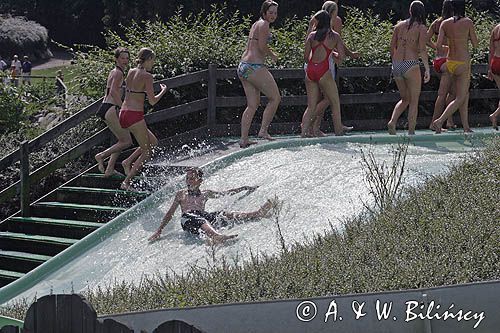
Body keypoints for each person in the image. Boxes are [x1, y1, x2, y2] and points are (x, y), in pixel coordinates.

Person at [148, 168, 277, 244]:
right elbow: (170, 213)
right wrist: (159, 230)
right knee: (198, 217)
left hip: (202, 217)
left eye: (192, 179)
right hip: (187, 219)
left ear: (200, 181)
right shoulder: (181, 194)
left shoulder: (205, 193)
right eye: (187, 179)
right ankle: (215, 236)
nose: (188, 181)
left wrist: (244, 188)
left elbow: (226, 193)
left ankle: (256, 214)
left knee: (223, 214)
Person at [306, 0, 360, 137]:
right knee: (331, 99)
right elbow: (337, 44)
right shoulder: (332, 27)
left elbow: (309, 48)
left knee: (317, 100)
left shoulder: (315, 23)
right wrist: (343, 55)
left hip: (311, 65)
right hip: (324, 64)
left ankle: (311, 128)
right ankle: (315, 124)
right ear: (331, 14)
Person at [119, 47, 168, 190]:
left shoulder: (130, 71)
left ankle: (127, 162)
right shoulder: (147, 76)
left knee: (153, 142)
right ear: (148, 59)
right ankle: (126, 182)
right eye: (152, 60)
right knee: (147, 152)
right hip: (135, 115)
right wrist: (163, 91)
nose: (153, 63)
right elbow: (152, 101)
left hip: (124, 112)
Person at [238, 0, 281, 148]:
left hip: (243, 66)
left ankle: (244, 139)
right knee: (275, 98)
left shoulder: (256, 24)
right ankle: (263, 130)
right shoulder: (264, 24)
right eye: (270, 12)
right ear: (264, 12)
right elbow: (262, 47)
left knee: (252, 105)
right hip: (254, 66)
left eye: (275, 13)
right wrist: (273, 55)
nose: (273, 15)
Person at [432, 0, 478, 133]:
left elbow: (438, 45)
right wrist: (465, 39)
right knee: (461, 97)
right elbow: (475, 43)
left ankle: (466, 127)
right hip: (463, 63)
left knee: (464, 95)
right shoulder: (468, 22)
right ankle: (440, 121)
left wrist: (452, 44)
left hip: (449, 62)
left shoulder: (445, 24)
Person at [94, 48, 139, 177]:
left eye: (127, 58)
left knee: (121, 140)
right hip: (110, 108)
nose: (125, 60)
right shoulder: (118, 73)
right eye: (122, 58)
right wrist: (123, 107)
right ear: (116, 59)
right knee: (127, 141)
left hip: (106, 107)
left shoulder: (114, 72)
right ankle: (101, 156)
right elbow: (113, 92)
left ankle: (109, 168)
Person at [387, 0, 430, 135]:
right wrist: (427, 69)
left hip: (397, 64)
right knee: (413, 100)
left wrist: (394, 62)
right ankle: (411, 132)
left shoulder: (399, 26)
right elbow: (422, 49)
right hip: (411, 64)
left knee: (405, 98)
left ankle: (392, 121)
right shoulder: (422, 28)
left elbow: (391, 47)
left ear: (410, 11)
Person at [302, 10, 346, 137]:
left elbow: (305, 57)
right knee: (334, 102)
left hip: (310, 69)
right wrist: (334, 54)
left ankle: (303, 132)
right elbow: (341, 57)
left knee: (311, 105)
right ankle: (338, 131)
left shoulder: (311, 36)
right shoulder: (335, 36)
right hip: (323, 69)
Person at [427, 0, 457, 131]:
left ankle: (449, 121)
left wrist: (436, 47)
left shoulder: (436, 23)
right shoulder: (454, 23)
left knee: (452, 92)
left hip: (437, 60)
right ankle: (434, 122)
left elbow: (425, 40)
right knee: (445, 93)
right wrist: (445, 48)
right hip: (448, 60)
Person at [488, 23, 500, 130]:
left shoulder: (495, 29)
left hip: (495, 62)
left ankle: (495, 116)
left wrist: (489, 69)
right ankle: (495, 115)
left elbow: (491, 50)